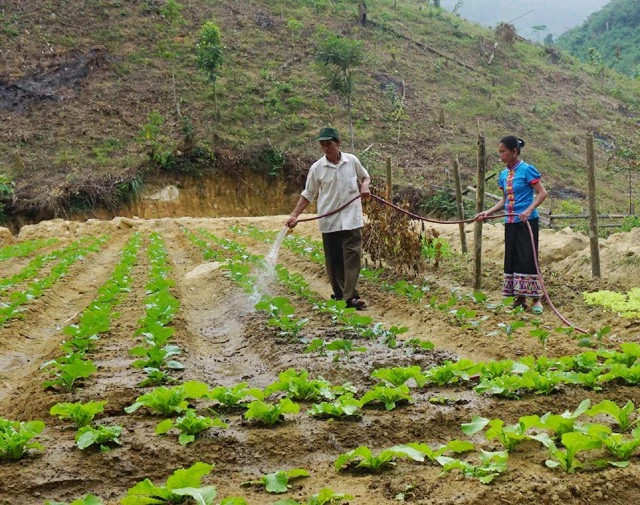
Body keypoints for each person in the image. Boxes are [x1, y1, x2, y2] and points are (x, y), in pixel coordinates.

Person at [286, 127, 371, 310]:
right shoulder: (317, 168)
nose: (325, 148)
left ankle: (351, 298)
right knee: (334, 260)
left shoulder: (352, 161)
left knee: (352, 256)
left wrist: (364, 186)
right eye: (322, 145)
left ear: (338, 143)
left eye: (329, 144)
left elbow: (365, 177)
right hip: (330, 220)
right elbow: (308, 194)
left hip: (351, 218)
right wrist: (294, 215)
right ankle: (340, 294)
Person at [475, 136, 548, 314]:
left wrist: (529, 210)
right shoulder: (503, 174)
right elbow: (504, 201)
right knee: (513, 258)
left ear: (514, 152)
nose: (500, 155)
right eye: (499, 152)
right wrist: (488, 213)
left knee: (528, 258)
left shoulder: (527, 170)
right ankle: (520, 298)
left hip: (526, 222)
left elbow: (542, 193)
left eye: (503, 151)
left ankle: (536, 299)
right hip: (510, 221)